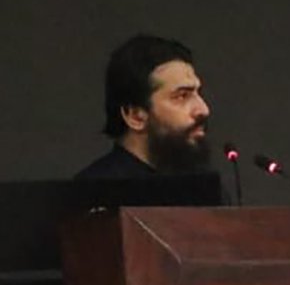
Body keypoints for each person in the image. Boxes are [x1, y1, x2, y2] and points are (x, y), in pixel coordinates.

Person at [74, 35, 212, 178]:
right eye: (182, 96)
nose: (203, 109)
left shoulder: (202, 185)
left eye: (198, 93)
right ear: (135, 116)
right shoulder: (93, 191)